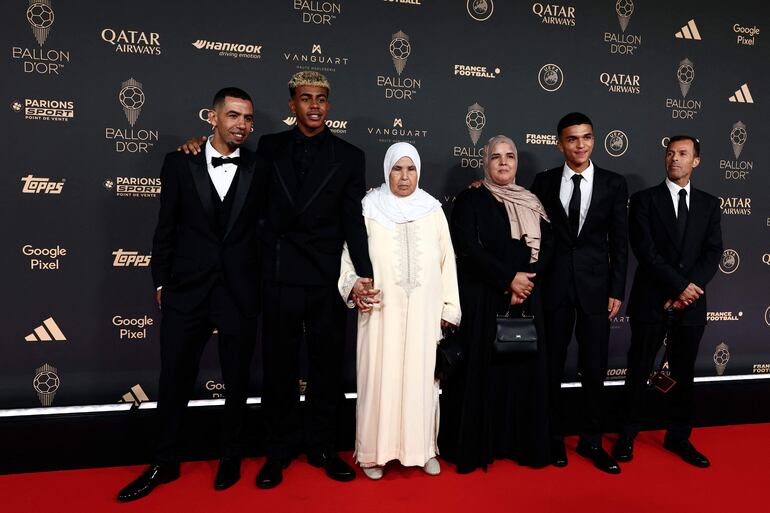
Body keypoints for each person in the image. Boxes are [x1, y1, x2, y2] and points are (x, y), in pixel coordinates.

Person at [117, 87, 267, 502]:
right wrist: (161, 282)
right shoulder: (179, 162)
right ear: (213, 118)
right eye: (234, 116)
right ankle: (165, 461)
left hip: (238, 292)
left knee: (237, 380)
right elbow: (165, 228)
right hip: (186, 290)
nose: (242, 125)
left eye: (248, 118)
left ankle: (231, 456)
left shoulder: (261, 166)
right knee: (175, 377)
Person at [338, 142, 461, 480]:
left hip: (424, 315)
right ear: (386, 170)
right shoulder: (369, 208)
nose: (404, 177)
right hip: (381, 312)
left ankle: (421, 450)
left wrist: (449, 307)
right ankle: (373, 454)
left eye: (410, 170)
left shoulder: (432, 209)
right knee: (380, 380)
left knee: (421, 381)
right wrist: (352, 285)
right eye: (397, 169)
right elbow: (348, 257)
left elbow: (446, 261)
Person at [439, 135, 552, 473]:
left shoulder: (533, 201)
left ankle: (518, 443)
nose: (504, 163)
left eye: (510, 157)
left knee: (520, 374)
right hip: (484, 301)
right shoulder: (471, 200)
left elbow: (550, 247)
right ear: (484, 162)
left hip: (527, 301)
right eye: (496, 157)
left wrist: (525, 280)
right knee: (483, 371)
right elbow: (468, 248)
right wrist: (508, 279)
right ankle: (480, 446)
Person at [614, 135, 722, 467]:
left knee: (683, 373)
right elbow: (645, 251)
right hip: (651, 300)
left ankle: (678, 437)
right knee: (638, 369)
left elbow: (713, 251)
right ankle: (627, 435)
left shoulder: (709, 204)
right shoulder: (644, 201)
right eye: (670, 153)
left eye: (683, 154)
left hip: (691, 307)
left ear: (696, 161)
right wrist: (678, 287)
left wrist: (689, 291)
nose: (674, 159)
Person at [530, 112, 628, 474]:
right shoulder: (542, 181)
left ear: (594, 139)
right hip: (553, 286)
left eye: (586, 137)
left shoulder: (613, 183)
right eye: (572, 139)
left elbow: (620, 241)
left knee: (594, 367)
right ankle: (554, 437)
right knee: (550, 365)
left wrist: (617, 287)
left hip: (596, 289)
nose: (581, 144)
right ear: (560, 143)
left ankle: (591, 440)